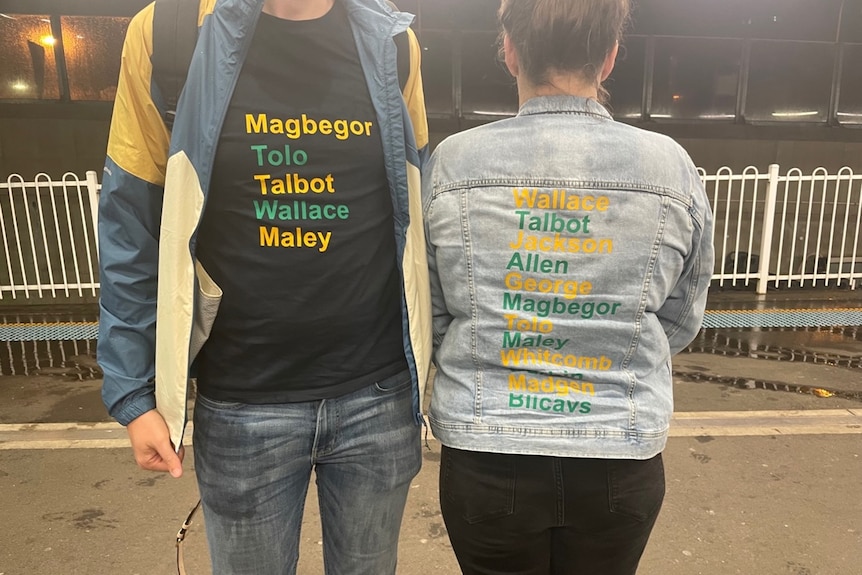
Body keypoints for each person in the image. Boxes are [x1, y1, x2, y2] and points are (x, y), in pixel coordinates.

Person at [97, 0, 432, 573]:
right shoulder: (168, 35)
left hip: (376, 398)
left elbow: (416, 213)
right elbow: (130, 218)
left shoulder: (393, 42)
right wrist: (132, 390)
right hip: (242, 405)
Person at [422, 1, 715, 573]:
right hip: (619, 451)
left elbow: (430, 313)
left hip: (488, 452)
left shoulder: (454, 163)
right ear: (608, 58)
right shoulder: (670, 168)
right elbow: (681, 318)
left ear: (509, 51)